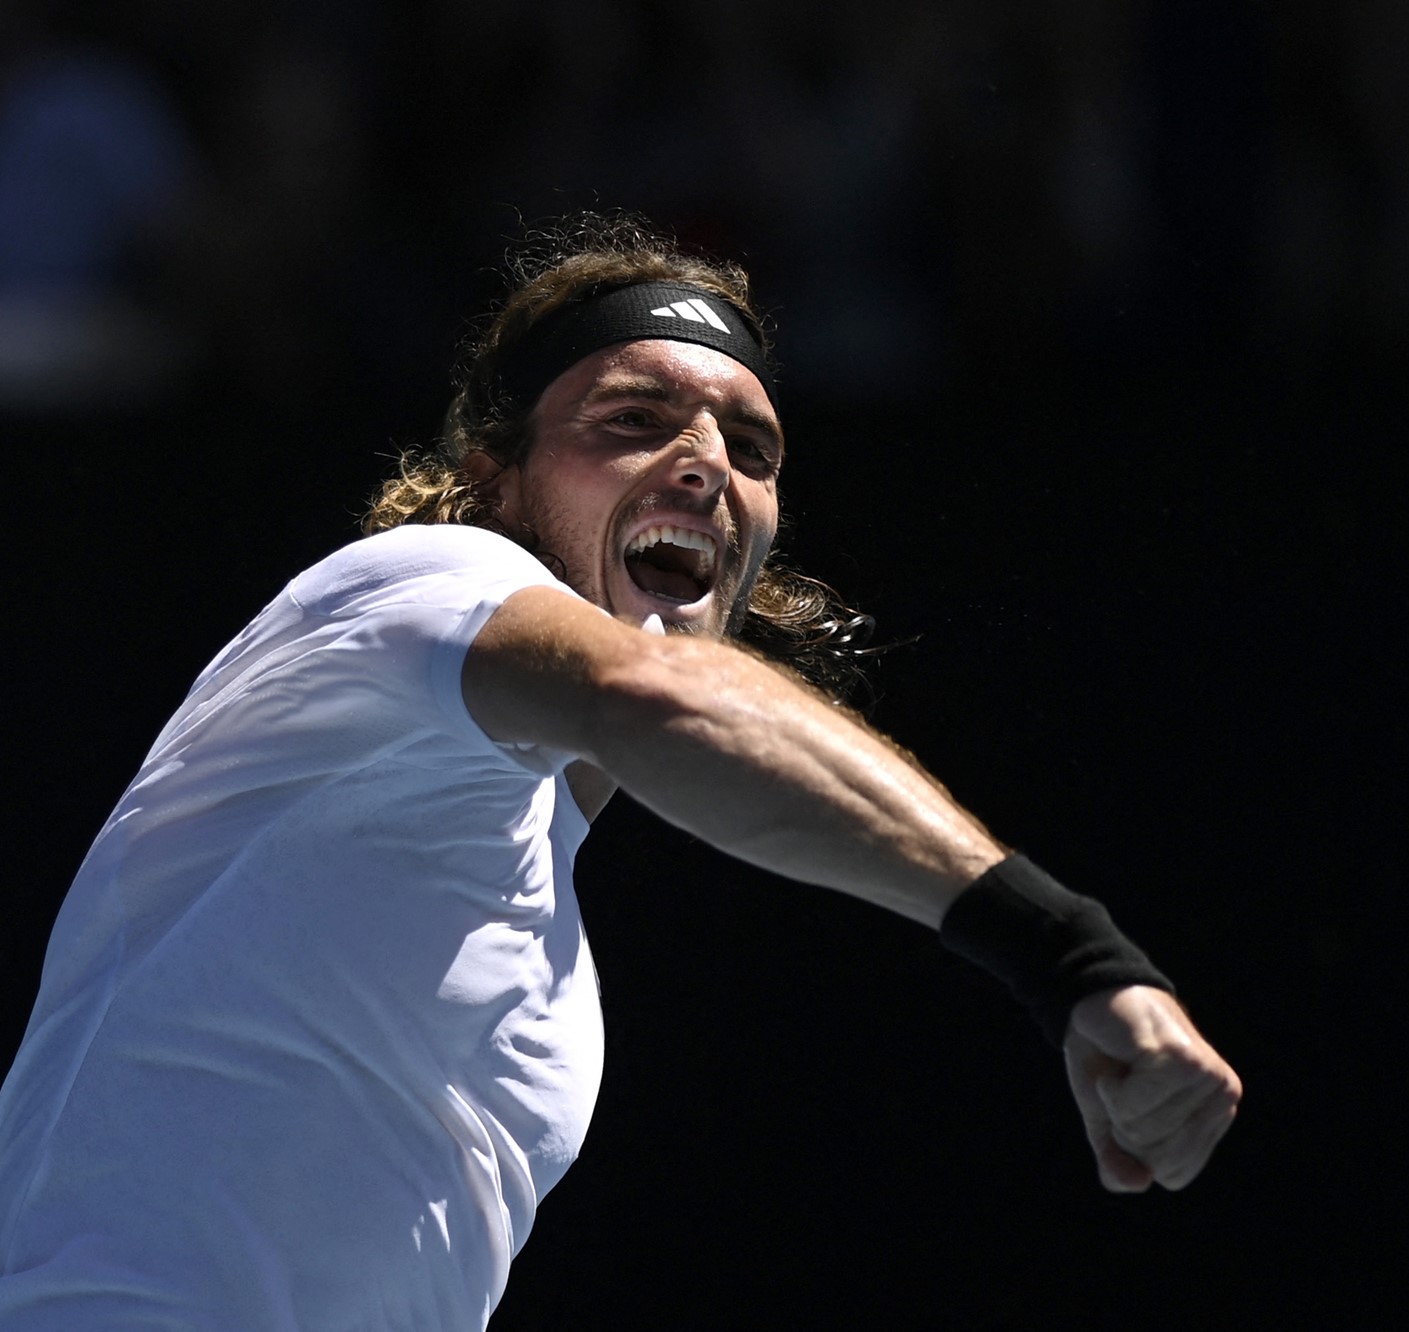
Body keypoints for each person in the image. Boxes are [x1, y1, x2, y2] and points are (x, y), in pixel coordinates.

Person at [0, 214, 1241, 1329]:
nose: (706, 462)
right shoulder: (417, 581)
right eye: (633, 420)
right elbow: (655, 700)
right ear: (492, 477)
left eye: (749, 447)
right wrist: (1066, 951)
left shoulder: (546, 948)